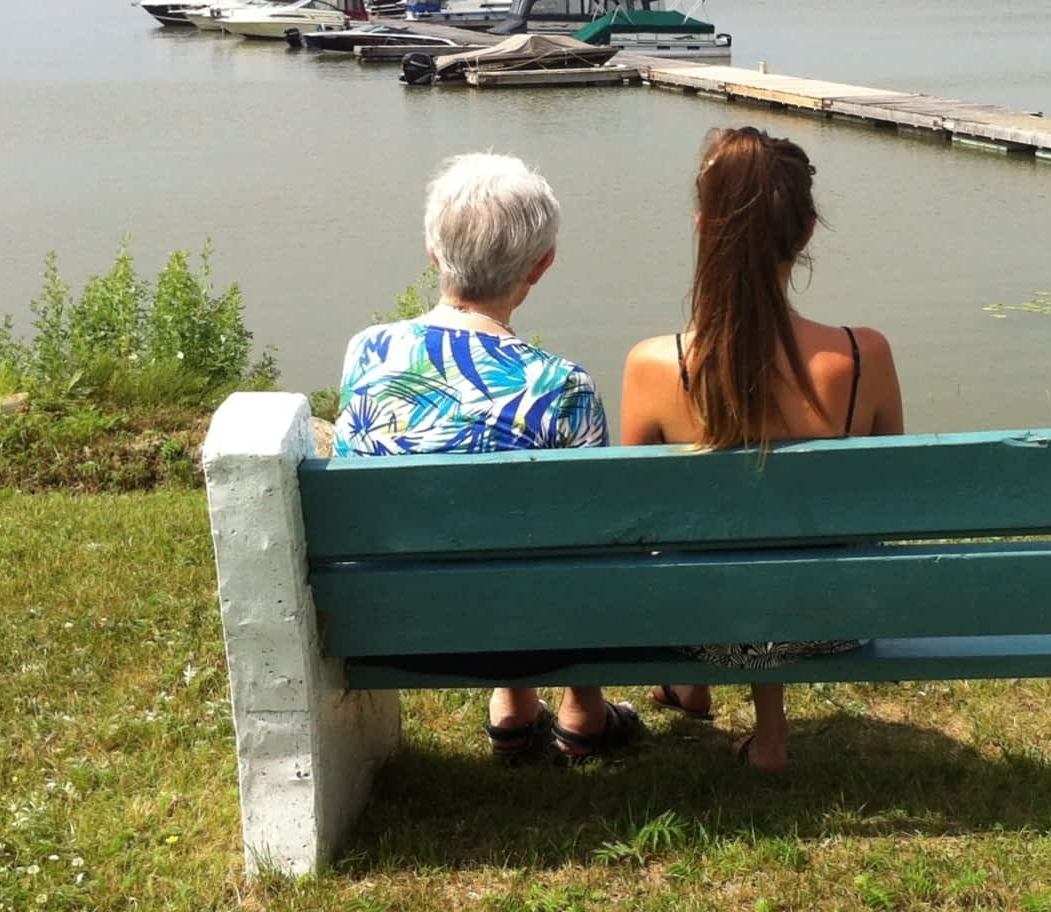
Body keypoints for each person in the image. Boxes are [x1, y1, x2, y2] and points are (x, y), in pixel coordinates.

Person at [334, 152, 643, 763]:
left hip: (394, 629)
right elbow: (590, 540)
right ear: (542, 264)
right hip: (532, 638)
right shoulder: (563, 386)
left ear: (432, 252)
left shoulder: (368, 352)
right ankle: (581, 711)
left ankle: (514, 710)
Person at [620, 126, 904, 770]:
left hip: (701, 629)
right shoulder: (865, 356)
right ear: (805, 232)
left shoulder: (655, 365)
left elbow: (638, 526)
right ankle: (767, 736)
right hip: (833, 617)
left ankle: (693, 682)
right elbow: (886, 502)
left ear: (703, 227)